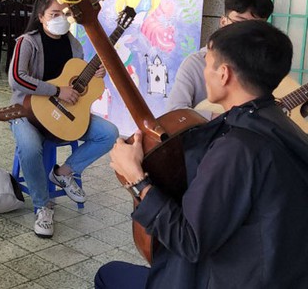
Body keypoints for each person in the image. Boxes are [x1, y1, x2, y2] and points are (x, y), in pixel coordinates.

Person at [97, 20, 308, 288]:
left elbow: (190, 241)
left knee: (108, 274)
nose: (203, 72)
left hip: (237, 278)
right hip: (276, 272)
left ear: (224, 74)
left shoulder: (238, 147)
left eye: (207, 64)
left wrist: (137, 179)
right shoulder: (280, 122)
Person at [8, 0, 119, 238]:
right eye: (54, 14)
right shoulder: (27, 42)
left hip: (65, 114)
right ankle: (42, 206)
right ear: (41, 16)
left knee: (109, 133)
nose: (60, 18)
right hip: (26, 110)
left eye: (64, 14)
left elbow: (79, 83)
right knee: (29, 146)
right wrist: (57, 90)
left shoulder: (74, 45)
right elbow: (16, 79)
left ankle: (63, 172)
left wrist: (95, 75)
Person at [167, 0, 273, 118]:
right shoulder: (196, 63)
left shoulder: (264, 66)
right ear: (223, 22)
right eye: (239, 23)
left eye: (255, 27)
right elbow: (174, 111)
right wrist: (223, 119)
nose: (246, 32)